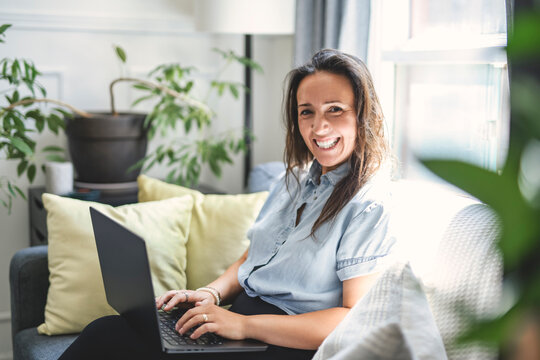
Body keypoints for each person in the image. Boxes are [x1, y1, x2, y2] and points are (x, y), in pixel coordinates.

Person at [59, 48, 395, 360]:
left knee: (108, 340)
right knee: (108, 331)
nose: (318, 126)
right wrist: (211, 294)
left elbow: (352, 319)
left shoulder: (368, 205)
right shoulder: (292, 181)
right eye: (307, 112)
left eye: (335, 110)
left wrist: (243, 326)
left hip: (282, 344)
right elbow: (253, 256)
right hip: (237, 328)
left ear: (362, 115)